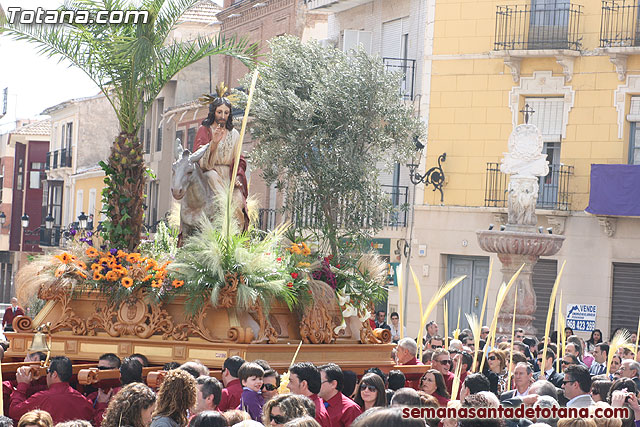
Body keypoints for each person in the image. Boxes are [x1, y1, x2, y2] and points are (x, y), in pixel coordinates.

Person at [194, 87, 249, 231]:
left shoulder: (235, 134)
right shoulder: (204, 130)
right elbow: (199, 158)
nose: (222, 116)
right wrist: (214, 143)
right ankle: (224, 209)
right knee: (211, 175)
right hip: (210, 173)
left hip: (229, 177)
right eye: (220, 112)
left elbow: (239, 160)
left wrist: (237, 175)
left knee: (238, 201)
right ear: (214, 112)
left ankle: (236, 233)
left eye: (226, 113)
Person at [10, 356, 94, 424]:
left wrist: (22, 385)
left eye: (47, 371)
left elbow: (14, 412)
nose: (46, 375)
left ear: (54, 374)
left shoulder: (42, 398)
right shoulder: (84, 402)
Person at [288, 363, 332, 427]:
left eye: (291, 381)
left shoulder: (313, 413)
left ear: (303, 384)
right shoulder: (310, 406)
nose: (288, 386)